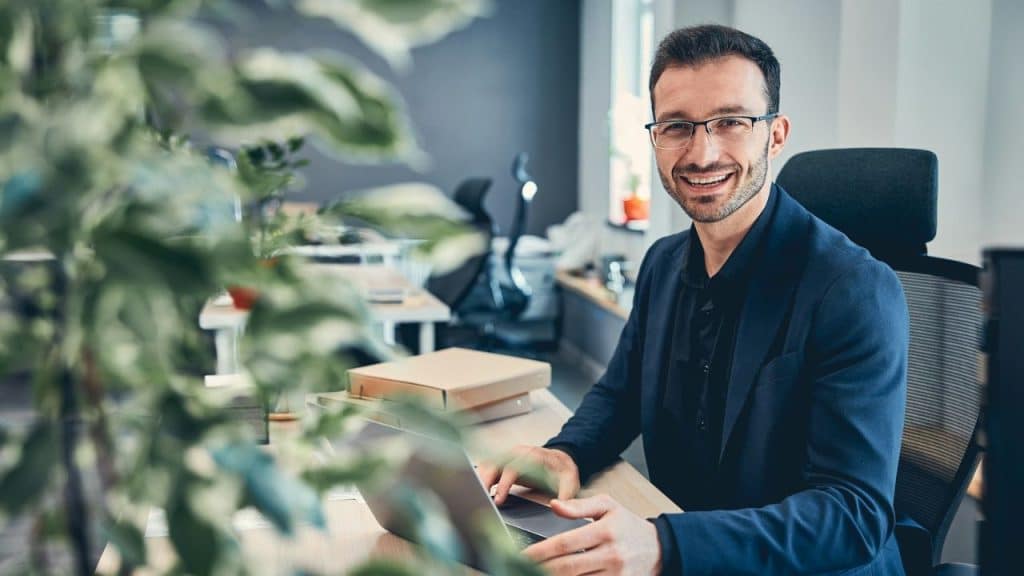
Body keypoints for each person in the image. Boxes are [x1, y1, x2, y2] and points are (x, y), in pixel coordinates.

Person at [478, 24, 908, 575]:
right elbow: (620, 392)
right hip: (683, 543)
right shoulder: (662, 262)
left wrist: (663, 545)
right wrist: (565, 452)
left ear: (775, 135)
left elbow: (854, 515)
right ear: (655, 137)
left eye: (731, 122)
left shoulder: (854, 289)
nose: (703, 154)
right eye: (678, 126)